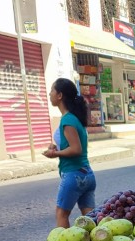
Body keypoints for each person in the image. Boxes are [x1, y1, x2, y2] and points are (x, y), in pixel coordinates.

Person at [43, 78, 96, 228]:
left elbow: (76, 149)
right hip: (87, 174)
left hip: (74, 175)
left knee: (61, 214)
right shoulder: (74, 118)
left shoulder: (68, 120)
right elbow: (72, 143)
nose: (49, 94)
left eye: (52, 90)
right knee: (90, 219)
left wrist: (54, 154)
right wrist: (56, 147)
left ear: (59, 95)